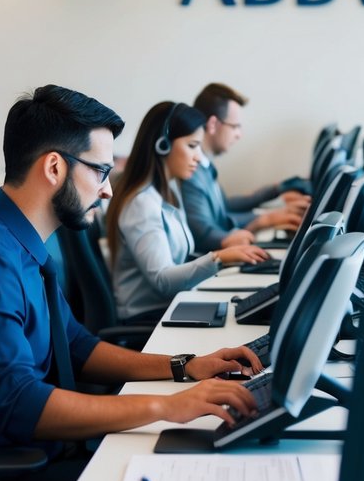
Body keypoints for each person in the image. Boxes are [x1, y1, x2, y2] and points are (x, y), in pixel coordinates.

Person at [0, 86, 262, 481]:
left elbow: (75, 344)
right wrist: (166, 406)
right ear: (54, 167)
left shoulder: (21, 243)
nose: (108, 190)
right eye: (100, 172)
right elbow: (19, 403)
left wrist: (183, 366)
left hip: (42, 455)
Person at [108, 101, 271, 323]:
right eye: (192, 146)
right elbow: (163, 280)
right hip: (148, 318)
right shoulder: (142, 204)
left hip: (173, 306)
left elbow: (178, 260)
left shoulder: (168, 190)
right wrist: (218, 258)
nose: (197, 157)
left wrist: (224, 259)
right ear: (163, 145)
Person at [182, 83, 309, 252]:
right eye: (235, 126)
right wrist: (263, 220)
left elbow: (224, 206)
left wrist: (276, 189)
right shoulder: (191, 171)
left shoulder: (205, 166)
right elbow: (204, 235)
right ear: (213, 124)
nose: (238, 135)